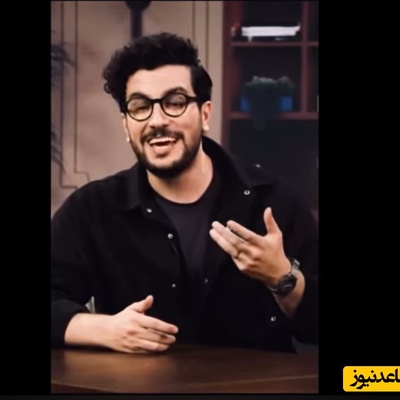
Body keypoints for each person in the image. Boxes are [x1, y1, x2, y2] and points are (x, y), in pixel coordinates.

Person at [51, 32, 318, 354]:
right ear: (126, 126)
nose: (157, 120)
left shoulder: (274, 202)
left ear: (204, 115)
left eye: (175, 103)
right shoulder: (92, 209)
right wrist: (102, 328)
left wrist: (281, 276)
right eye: (140, 107)